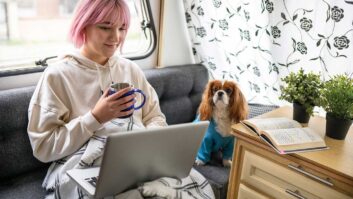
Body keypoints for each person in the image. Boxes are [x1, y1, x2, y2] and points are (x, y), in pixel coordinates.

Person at [27, 0, 167, 198]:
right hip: (84, 167)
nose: (116, 37)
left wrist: (144, 143)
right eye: (105, 27)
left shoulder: (130, 69)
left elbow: (155, 118)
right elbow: (43, 147)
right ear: (83, 25)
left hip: (136, 160)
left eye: (122, 28)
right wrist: (95, 118)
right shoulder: (57, 76)